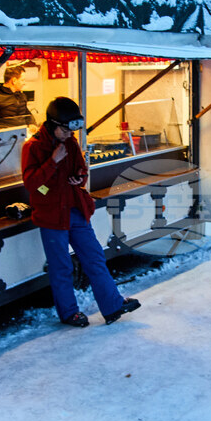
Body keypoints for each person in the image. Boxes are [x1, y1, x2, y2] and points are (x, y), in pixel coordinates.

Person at [21, 97, 140, 327]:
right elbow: (31, 183)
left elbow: (81, 169)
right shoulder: (33, 146)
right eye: (64, 130)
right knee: (62, 266)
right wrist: (53, 162)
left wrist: (79, 178)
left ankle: (112, 305)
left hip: (74, 209)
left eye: (70, 130)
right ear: (52, 125)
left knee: (94, 257)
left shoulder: (71, 143)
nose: (68, 135)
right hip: (51, 216)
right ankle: (69, 313)